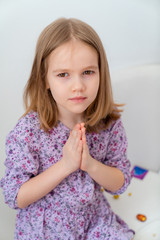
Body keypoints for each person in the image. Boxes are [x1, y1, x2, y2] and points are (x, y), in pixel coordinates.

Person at [0, 18, 135, 239]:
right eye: (63, 74)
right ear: (45, 79)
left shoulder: (108, 123)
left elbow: (119, 183)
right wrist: (66, 165)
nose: (78, 86)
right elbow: (15, 196)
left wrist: (90, 165)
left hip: (94, 222)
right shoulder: (28, 131)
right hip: (43, 230)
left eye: (88, 72)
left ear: (101, 73)